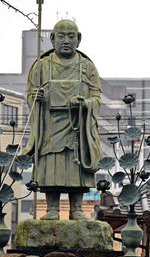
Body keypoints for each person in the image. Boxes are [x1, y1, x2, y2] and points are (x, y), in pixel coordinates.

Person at [23, 19, 102, 220]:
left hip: (78, 128)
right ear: (52, 38)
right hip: (50, 127)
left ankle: (76, 208)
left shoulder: (87, 67)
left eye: (71, 36)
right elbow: (31, 95)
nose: (66, 41)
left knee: (77, 166)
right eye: (61, 36)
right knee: (53, 164)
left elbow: (96, 98)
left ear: (79, 39)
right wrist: (36, 98)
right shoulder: (41, 67)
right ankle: (52, 209)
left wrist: (85, 103)